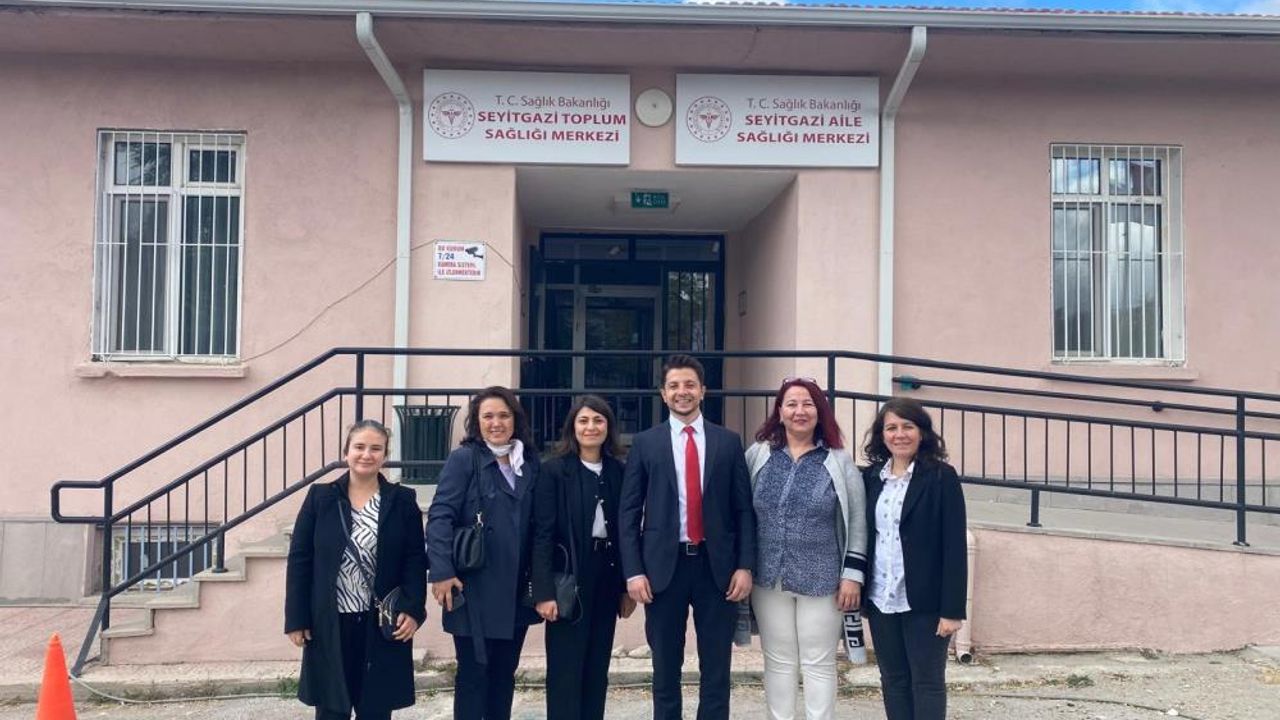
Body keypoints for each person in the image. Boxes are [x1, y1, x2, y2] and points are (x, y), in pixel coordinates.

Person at [619, 354, 757, 720]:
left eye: (690, 385)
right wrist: (633, 571)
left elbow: (743, 509)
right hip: (662, 570)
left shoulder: (728, 442)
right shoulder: (646, 444)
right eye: (674, 386)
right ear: (663, 394)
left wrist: (745, 566)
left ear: (703, 391)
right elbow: (628, 513)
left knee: (717, 669)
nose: (683, 392)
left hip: (718, 569)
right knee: (665, 668)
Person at [284, 419, 427, 720]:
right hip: (330, 622)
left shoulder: (402, 501)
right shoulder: (320, 497)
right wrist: (297, 618)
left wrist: (413, 609)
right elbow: (300, 559)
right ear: (346, 452)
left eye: (376, 448)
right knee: (331, 708)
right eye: (359, 447)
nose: (366, 454)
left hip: (381, 622)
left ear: (385, 455)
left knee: (375, 709)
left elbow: (415, 559)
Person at [745, 378, 866, 720]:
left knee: (818, 662)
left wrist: (852, 576)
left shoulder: (838, 461)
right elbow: (741, 511)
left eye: (808, 404)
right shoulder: (758, 455)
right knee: (778, 660)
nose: (800, 411)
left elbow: (857, 521)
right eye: (792, 404)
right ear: (779, 412)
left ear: (820, 411)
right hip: (768, 578)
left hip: (823, 580)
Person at [426, 386, 541, 720]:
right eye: (488, 416)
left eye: (503, 415)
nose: (496, 423)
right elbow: (440, 516)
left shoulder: (529, 463)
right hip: (473, 586)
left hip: (516, 588)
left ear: (515, 420)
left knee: (504, 674)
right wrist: (442, 571)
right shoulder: (464, 459)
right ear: (477, 422)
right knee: (474, 675)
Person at [860, 397, 968, 720]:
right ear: (881, 435)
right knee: (893, 680)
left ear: (922, 432)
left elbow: (954, 547)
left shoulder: (941, 477)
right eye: (891, 428)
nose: (899, 434)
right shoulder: (871, 479)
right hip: (881, 598)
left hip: (925, 602)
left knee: (927, 682)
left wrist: (952, 610)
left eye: (907, 426)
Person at [531, 394, 636, 720]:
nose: (591, 427)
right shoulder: (554, 471)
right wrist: (544, 591)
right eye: (584, 420)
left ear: (608, 427)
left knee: (596, 667)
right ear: (572, 427)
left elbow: (627, 532)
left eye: (598, 420)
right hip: (568, 580)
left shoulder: (619, 471)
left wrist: (625, 587)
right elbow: (543, 534)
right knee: (565, 670)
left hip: (606, 577)